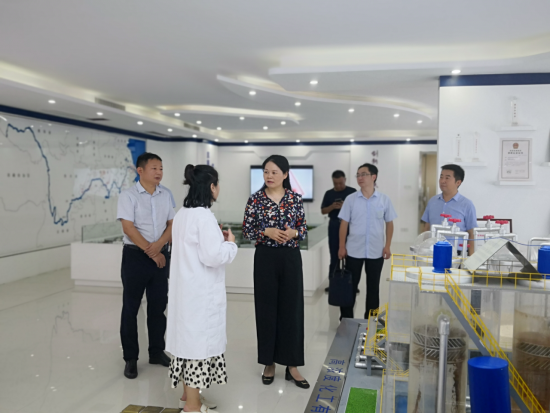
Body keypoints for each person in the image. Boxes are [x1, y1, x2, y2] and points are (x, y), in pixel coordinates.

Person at [166, 165, 238, 413]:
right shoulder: (204, 216)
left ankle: (187, 396)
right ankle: (193, 407)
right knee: (196, 349)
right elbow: (213, 256)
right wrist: (230, 244)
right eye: (218, 184)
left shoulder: (182, 214)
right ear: (211, 187)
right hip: (200, 296)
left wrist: (218, 242)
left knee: (186, 347)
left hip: (185, 292)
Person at [242, 155, 310, 390]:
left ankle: (292, 365)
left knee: (292, 310)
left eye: (274, 172)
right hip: (265, 258)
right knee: (266, 309)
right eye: (266, 172)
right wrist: (266, 232)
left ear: (285, 174)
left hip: (290, 258)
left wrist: (294, 233)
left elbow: (303, 229)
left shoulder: (295, 199)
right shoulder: (255, 200)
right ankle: (269, 362)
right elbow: (247, 230)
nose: (269, 176)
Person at [117, 153, 175, 379]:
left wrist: (158, 247)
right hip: (135, 257)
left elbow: (171, 224)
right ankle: (130, 358)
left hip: (160, 256)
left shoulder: (166, 194)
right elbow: (128, 228)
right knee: (130, 308)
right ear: (140, 171)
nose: (159, 172)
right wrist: (152, 252)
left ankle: (156, 352)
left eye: (161, 168)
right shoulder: (128, 196)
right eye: (154, 168)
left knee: (158, 306)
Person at [338, 163, 397, 320]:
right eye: (358, 175)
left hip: (376, 251)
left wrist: (387, 246)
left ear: (373, 177)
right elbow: (344, 224)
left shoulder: (384, 200)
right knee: (349, 287)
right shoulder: (350, 199)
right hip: (353, 251)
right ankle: (346, 320)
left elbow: (389, 223)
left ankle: (371, 320)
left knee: (373, 288)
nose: (360, 178)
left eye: (363, 174)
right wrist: (342, 246)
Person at [421, 164, 477, 256]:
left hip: (457, 253)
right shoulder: (432, 201)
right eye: (441, 177)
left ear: (458, 182)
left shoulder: (467, 204)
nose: (442, 181)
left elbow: (471, 233)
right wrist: (423, 250)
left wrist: (471, 258)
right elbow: (426, 228)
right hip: (433, 251)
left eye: (447, 178)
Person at [321, 170, 357, 293]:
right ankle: (333, 284)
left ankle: (351, 284)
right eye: (335, 183)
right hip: (334, 225)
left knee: (351, 257)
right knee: (334, 255)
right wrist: (332, 207)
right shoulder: (329, 193)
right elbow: (323, 211)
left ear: (345, 180)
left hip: (350, 226)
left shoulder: (352, 192)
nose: (338, 186)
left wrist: (345, 206)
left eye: (340, 183)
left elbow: (358, 209)